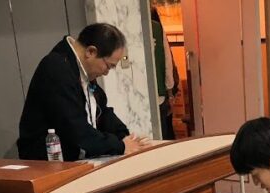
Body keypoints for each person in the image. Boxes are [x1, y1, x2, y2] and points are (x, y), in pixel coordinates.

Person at [17, 23, 149, 160]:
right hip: (48, 161)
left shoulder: (81, 70)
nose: (106, 73)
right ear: (91, 52)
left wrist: (124, 136)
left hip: (75, 158)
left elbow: (101, 111)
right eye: (109, 66)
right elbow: (74, 127)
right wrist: (119, 146)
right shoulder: (57, 68)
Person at [150, 7, 178, 140]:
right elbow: (167, 62)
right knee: (163, 134)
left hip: (140, 96)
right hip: (159, 93)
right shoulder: (157, 29)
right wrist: (170, 91)